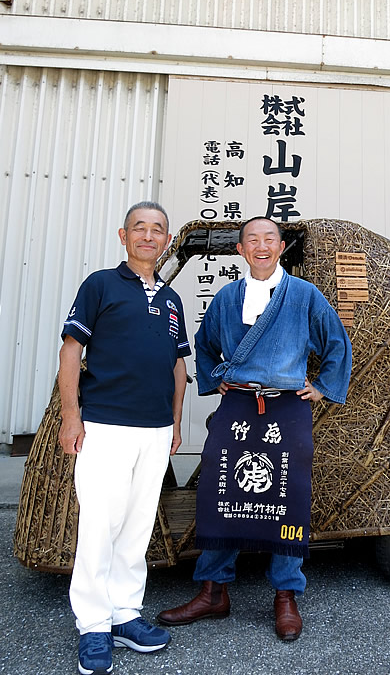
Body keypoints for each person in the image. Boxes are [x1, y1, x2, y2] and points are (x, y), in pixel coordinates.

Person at [157, 216, 352, 642]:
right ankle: (213, 590)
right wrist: (215, 377)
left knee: (288, 496)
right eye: (252, 241)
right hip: (239, 403)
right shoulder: (228, 297)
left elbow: (336, 343)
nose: (261, 247)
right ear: (242, 250)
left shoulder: (304, 295)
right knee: (219, 490)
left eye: (269, 239)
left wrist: (321, 387)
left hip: (287, 408)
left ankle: (285, 595)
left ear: (281, 247)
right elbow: (204, 345)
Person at [58, 201, 191, 675]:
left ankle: (124, 614)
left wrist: (176, 422)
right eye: (140, 228)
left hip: (154, 430)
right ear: (124, 235)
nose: (149, 236)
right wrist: (72, 417)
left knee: (136, 528)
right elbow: (71, 352)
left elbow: (178, 365)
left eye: (158, 230)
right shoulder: (100, 285)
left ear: (165, 240)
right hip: (105, 425)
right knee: (100, 523)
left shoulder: (172, 299)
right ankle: (93, 623)